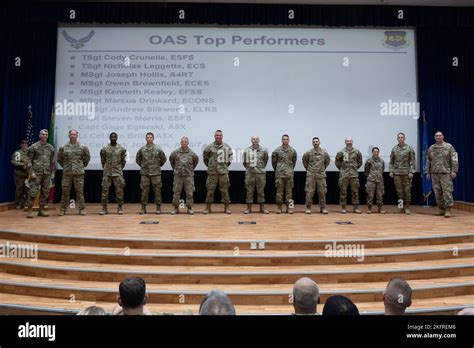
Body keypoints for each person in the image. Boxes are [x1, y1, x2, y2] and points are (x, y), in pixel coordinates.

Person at [57, 129, 90, 216]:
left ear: (77, 135)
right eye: (71, 134)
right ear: (68, 135)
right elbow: (59, 159)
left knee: (79, 191)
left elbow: (87, 158)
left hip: (78, 173)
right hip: (67, 173)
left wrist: (82, 166)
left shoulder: (83, 147)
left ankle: (81, 209)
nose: (72, 136)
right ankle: (62, 209)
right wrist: (65, 167)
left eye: (74, 134)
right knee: (65, 192)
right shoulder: (63, 147)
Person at [426, 131, 458, 218]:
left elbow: (454, 159)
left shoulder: (449, 147)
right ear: (434, 137)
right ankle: (441, 209)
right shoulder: (431, 148)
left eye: (440, 135)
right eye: (437, 136)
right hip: (434, 173)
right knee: (437, 192)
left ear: (443, 137)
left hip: (446, 173)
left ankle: (448, 209)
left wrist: (454, 171)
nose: (438, 137)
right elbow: (428, 160)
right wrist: (427, 171)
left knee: (447, 192)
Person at [25, 129, 55, 218]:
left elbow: (52, 161)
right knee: (33, 192)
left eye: (46, 134)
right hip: (36, 173)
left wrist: (52, 172)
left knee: (45, 192)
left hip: (47, 173)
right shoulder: (33, 147)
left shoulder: (50, 147)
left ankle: (41, 210)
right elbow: (28, 161)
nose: (44, 136)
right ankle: (30, 210)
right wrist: (31, 173)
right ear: (39, 135)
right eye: (43, 134)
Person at [202, 130, 233, 214]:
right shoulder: (209, 147)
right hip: (212, 173)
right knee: (210, 190)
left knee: (225, 190)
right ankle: (208, 208)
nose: (218, 137)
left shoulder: (227, 147)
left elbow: (229, 159)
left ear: (222, 136)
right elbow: (206, 159)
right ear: (214, 136)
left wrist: (224, 167)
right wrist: (211, 166)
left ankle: (226, 207)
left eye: (220, 135)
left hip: (223, 173)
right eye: (217, 135)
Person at [135, 132, 167, 215]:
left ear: (153, 138)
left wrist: (157, 166)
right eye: (148, 137)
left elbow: (163, 159)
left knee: (157, 191)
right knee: (144, 191)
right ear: (146, 138)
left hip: (156, 173)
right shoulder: (142, 149)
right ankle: (143, 208)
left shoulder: (158, 149)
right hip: (145, 174)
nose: (149, 139)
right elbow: (138, 159)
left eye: (150, 137)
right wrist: (143, 167)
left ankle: (158, 207)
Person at [169, 136, 199, 215]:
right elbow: (172, 161)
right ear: (180, 142)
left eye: (185, 141)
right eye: (182, 141)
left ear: (188, 143)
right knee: (176, 192)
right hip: (178, 176)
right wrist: (176, 170)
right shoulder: (175, 153)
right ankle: (176, 208)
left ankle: (189, 208)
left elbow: (195, 162)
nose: (184, 143)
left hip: (188, 176)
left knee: (189, 193)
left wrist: (189, 169)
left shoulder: (192, 153)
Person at [99, 132, 127, 215]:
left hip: (117, 173)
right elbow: (103, 160)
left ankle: (120, 207)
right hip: (107, 173)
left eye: (115, 137)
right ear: (109, 138)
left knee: (119, 191)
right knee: (105, 191)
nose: (113, 138)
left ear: (117, 138)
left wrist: (119, 168)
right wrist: (106, 168)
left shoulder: (121, 149)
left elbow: (123, 161)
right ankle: (104, 208)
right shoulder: (104, 148)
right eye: (112, 137)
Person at [302, 137, 330, 214]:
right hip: (311, 175)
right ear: (312, 143)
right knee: (309, 192)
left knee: (322, 192)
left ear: (319, 142)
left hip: (321, 175)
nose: (315, 143)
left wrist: (322, 169)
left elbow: (327, 161)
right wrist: (309, 169)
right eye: (314, 141)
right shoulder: (308, 153)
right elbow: (304, 161)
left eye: (316, 141)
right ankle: (308, 207)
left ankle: (323, 207)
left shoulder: (324, 152)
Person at [389, 133, 416, 214]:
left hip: (406, 173)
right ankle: (401, 207)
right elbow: (391, 162)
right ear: (397, 138)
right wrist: (391, 171)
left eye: (402, 137)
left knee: (407, 191)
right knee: (399, 192)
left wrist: (411, 171)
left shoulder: (409, 148)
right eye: (399, 137)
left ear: (404, 138)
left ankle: (407, 207)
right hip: (397, 174)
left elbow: (412, 161)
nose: (400, 139)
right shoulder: (394, 149)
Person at [242, 135, 269, 214]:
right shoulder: (247, 150)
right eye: (253, 139)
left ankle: (262, 208)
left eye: (257, 139)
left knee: (261, 191)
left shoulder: (264, 150)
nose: (255, 140)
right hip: (250, 174)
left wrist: (260, 168)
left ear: (259, 140)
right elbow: (244, 162)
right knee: (249, 191)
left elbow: (265, 160)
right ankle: (248, 208)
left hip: (260, 174)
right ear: (251, 140)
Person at [335, 137, 363, 214]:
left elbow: (360, 162)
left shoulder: (357, 152)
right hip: (344, 175)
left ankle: (356, 208)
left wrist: (355, 168)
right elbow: (337, 162)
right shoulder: (341, 152)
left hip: (354, 175)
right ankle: (343, 208)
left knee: (355, 192)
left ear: (352, 142)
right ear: (345, 142)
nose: (349, 142)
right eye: (347, 141)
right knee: (343, 192)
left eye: (350, 141)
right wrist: (342, 169)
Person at [272, 134, 297, 214]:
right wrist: (278, 170)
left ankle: (290, 208)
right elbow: (274, 163)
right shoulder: (276, 151)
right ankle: (279, 208)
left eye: (287, 139)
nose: (285, 140)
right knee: (279, 192)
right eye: (284, 139)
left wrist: (290, 170)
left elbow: (294, 162)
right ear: (281, 140)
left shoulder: (293, 150)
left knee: (289, 193)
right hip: (280, 174)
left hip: (289, 175)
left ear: (289, 140)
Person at [364, 147, 385, 214]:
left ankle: (380, 208)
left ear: (378, 152)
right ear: (372, 152)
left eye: (377, 151)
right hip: (371, 180)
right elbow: (366, 170)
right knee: (370, 194)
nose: (376, 153)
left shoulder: (382, 161)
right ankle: (369, 208)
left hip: (379, 180)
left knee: (380, 195)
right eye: (374, 151)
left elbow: (382, 170)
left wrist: (379, 175)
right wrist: (370, 176)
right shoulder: (368, 161)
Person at [11, 139, 29, 209]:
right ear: (20, 145)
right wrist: (22, 164)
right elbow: (13, 161)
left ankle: (27, 203)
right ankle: (19, 203)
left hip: (28, 174)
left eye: (26, 143)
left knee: (27, 189)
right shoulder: (18, 153)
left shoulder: (30, 153)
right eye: (23, 143)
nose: (25, 145)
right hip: (19, 174)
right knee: (19, 188)